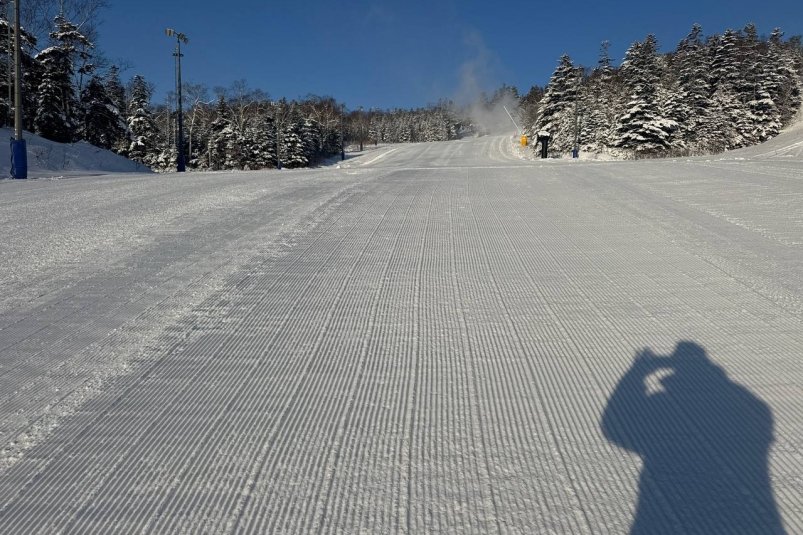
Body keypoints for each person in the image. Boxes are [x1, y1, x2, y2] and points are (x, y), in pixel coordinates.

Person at [601, 341, 785, 534]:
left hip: (671, 507)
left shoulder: (664, 405)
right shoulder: (752, 403)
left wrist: (638, 372)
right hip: (748, 517)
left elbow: (614, 428)